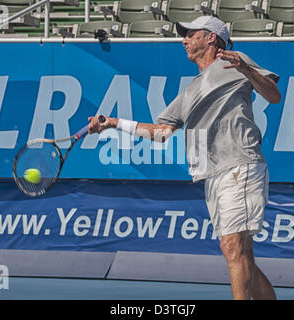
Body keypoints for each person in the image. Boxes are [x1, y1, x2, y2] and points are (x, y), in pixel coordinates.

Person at [87, 15, 281, 300]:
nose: (184, 39)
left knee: (231, 247)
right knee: (241, 255)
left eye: (191, 34)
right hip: (213, 174)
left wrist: (247, 70)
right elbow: (161, 132)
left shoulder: (235, 61)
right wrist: (114, 123)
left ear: (211, 38)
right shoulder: (190, 91)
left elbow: (273, 95)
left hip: (239, 163)